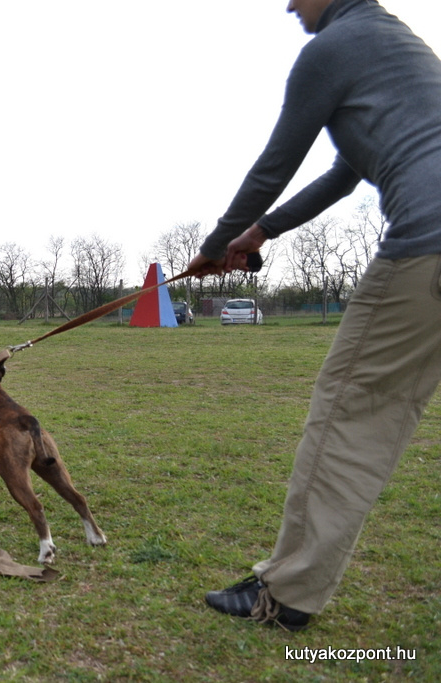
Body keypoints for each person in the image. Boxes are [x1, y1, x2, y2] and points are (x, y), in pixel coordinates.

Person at [189, 0, 441, 630]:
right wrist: (262, 233)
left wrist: (215, 247)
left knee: (351, 409)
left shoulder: (330, 50)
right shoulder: (397, 48)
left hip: (429, 241)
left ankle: (290, 592)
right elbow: (342, 176)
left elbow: (275, 164)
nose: (287, 4)